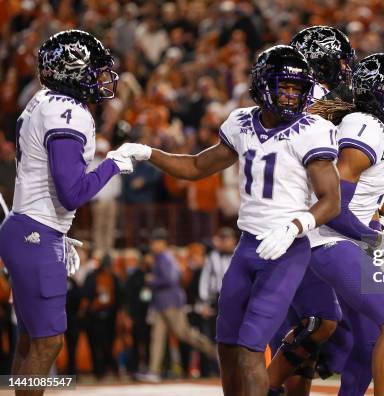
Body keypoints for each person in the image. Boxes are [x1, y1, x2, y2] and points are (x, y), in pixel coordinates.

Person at [116, 45, 341, 395]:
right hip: (247, 245)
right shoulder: (240, 122)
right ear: (264, 85)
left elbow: (331, 201)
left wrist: (295, 226)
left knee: (251, 347)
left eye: (298, 88)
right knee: (227, 342)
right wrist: (149, 153)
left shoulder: (313, 129)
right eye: (285, 86)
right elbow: (196, 166)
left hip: (286, 248)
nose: (292, 94)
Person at [268, 53, 384, 396]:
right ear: (374, 93)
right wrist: (370, 235)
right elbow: (333, 205)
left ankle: (267, 386)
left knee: (367, 344)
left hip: (344, 242)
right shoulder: (366, 125)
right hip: (330, 241)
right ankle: (265, 386)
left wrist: (371, 224)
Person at [0, 29, 132, 393]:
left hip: (26, 227)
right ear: (72, 71)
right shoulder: (67, 111)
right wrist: (114, 163)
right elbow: (72, 193)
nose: (102, 78)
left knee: (30, 339)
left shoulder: (43, 102)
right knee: (48, 343)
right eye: (94, 69)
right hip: (36, 233)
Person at [135, 228, 217, 383]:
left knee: (184, 333)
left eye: (154, 241)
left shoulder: (165, 257)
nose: (152, 244)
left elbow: (172, 279)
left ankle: (215, 352)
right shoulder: (162, 257)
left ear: (162, 243)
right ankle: (153, 371)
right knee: (157, 337)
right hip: (162, 303)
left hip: (171, 302)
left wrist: (151, 280)